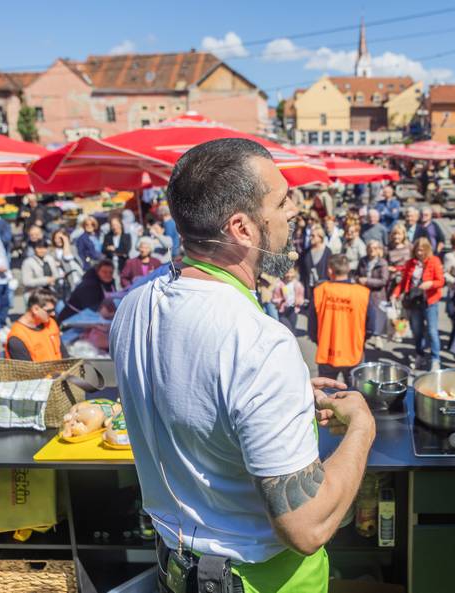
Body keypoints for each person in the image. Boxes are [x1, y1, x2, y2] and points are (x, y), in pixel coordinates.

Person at [110, 138, 375, 593]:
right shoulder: (260, 343)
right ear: (242, 229)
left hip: (176, 566)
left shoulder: (134, 306)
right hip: (257, 580)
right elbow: (306, 528)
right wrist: (363, 428)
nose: (293, 211)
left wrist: (278, 397)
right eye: (281, 201)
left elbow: (188, 394)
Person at [310, 254, 370, 382]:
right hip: (353, 351)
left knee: (326, 396)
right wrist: (360, 341)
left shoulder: (320, 290)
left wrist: (320, 340)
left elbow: (312, 326)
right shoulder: (363, 293)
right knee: (354, 394)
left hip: (327, 351)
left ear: (330, 270)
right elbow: (371, 326)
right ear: (348, 269)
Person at [393, 237, 446, 371]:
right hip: (414, 300)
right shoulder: (411, 263)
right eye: (417, 250)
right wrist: (396, 293)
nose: (420, 253)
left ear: (428, 250)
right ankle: (420, 355)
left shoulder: (434, 261)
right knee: (417, 330)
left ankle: (435, 359)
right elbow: (404, 280)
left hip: (429, 300)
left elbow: (441, 281)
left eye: (422, 250)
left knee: (432, 331)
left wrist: (430, 284)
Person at [5, 287, 63, 362]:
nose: (53, 314)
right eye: (49, 311)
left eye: (53, 310)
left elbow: (64, 353)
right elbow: (27, 372)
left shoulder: (51, 323)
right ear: (35, 309)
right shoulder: (17, 339)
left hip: (62, 371)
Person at [357, 240, 390, 347]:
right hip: (363, 293)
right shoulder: (362, 261)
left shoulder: (382, 263)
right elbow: (357, 275)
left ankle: (378, 337)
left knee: (377, 318)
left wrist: (367, 281)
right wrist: (359, 280)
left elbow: (384, 280)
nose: (372, 250)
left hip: (377, 295)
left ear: (379, 250)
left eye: (375, 248)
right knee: (363, 317)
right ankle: (363, 338)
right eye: (370, 248)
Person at [299, 225, 330, 304]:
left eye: (313, 236)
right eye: (310, 236)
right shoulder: (305, 253)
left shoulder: (328, 252)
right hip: (309, 290)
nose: (310, 238)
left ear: (320, 238)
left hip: (323, 290)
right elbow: (302, 271)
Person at [51, 229, 84, 302]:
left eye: (60, 238)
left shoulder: (72, 248)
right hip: (58, 281)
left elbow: (67, 257)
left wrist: (66, 241)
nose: (58, 240)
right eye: (56, 238)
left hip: (72, 279)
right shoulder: (51, 251)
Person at [274, 267, 305, 333]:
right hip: (283, 310)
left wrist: (298, 301)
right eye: (287, 273)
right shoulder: (279, 284)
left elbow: (301, 297)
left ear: (295, 273)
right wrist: (280, 301)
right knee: (287, 329)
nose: (289, 275)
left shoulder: (298, 285)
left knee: (292, 330)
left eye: (291, 272)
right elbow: (275, 298)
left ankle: (292, 341)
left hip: (293, 310)